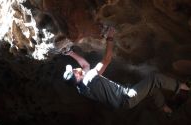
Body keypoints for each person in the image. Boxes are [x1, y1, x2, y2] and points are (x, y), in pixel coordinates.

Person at [56, 27, 190, 114]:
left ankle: (166, 109)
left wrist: (70, 53)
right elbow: (106, 60)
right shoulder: (89, 78)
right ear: (77, 76)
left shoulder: (81, 87)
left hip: (123, 102)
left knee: (152, 89)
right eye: (74, 70)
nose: (75, 68)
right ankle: (184, 88)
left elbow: (84, 65)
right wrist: (110, 37)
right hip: (127, 97)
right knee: (155, 78)